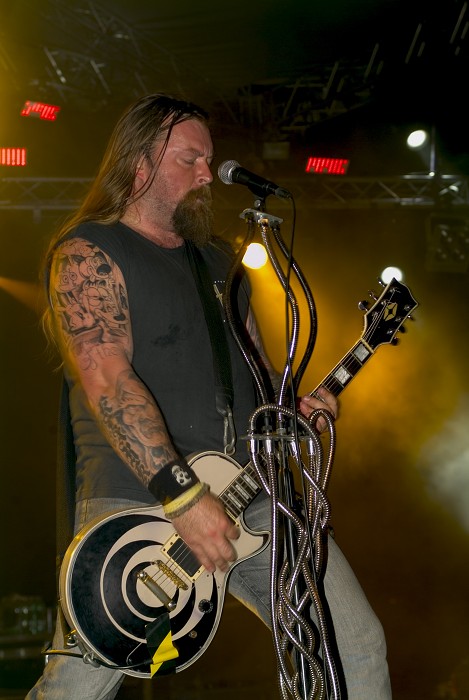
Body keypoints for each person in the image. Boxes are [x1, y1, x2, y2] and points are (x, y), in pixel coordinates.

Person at [27, 93, 392, 699]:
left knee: (353, 643)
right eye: (190, 159)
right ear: (140, 165)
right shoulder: (90, 252)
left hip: (251, 491)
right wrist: (183, 497)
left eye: (209, 159)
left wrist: (297, 411)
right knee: (77, 685)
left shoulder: (223, 262)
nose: (208, 175)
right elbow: (108, 381)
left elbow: (262, 381)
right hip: (140, 499)